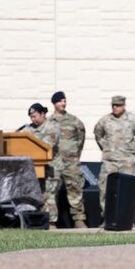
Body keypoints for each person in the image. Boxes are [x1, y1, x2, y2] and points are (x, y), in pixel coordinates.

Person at [93, 95, 135, 217]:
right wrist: (106, 148)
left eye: (118, 105)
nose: (115, 108)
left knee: (127, 191)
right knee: (105, 189)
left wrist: (132, 150)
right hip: (109, 161)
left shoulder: (133, 120)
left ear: (124, 105)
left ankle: (127, 219)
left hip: (126, 161)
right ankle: (106, 218)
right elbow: (98, 134)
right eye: (113, 105)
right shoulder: (105, 120)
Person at [49, 91, 87, 229]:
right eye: (60, 101)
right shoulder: (48, 122)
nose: (63, 103)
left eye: (64, 101)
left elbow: (81, 138)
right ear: (54, 103)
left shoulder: (74, 121)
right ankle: (51, 221)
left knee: (75, 189)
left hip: (71, 162)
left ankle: (79, 220)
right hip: (54, 162)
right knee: (51, 191)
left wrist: (75, 154)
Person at [24, 102, 62, 229]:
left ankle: (51, 223)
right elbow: (20, 141)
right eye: (31, 117)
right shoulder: (28, 129)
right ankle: (38, 222)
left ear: (43, 114)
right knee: (37, 196)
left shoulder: (52, 127)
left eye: (35, 116)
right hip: (34, 169)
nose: (33, 119)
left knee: (49, 196)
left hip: (51, 168)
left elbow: (46, 146)